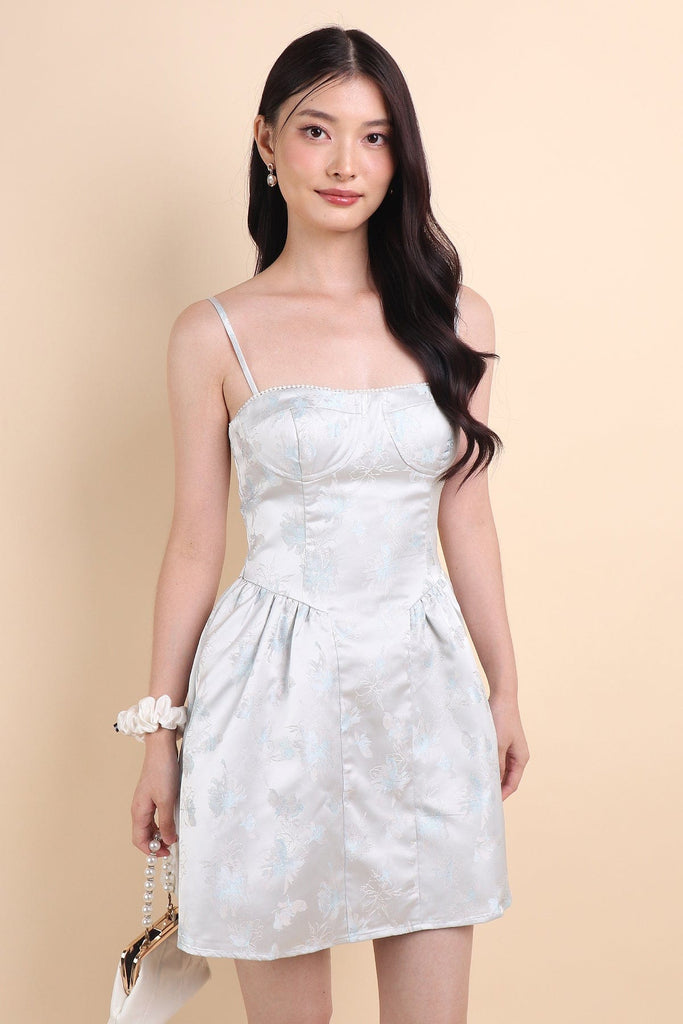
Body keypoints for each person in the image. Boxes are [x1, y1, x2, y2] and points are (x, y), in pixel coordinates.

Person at [123, 24, 529, 1024]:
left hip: (422, 686)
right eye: (316, 130)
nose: (347, 163)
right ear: (266, 140)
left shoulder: (458, 319)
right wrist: (159, 736)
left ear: (400, 155)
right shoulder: (211, 332)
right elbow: (193, 542)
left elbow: (467, 515)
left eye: (375, 137)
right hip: (267, 698)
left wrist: (504, 687)